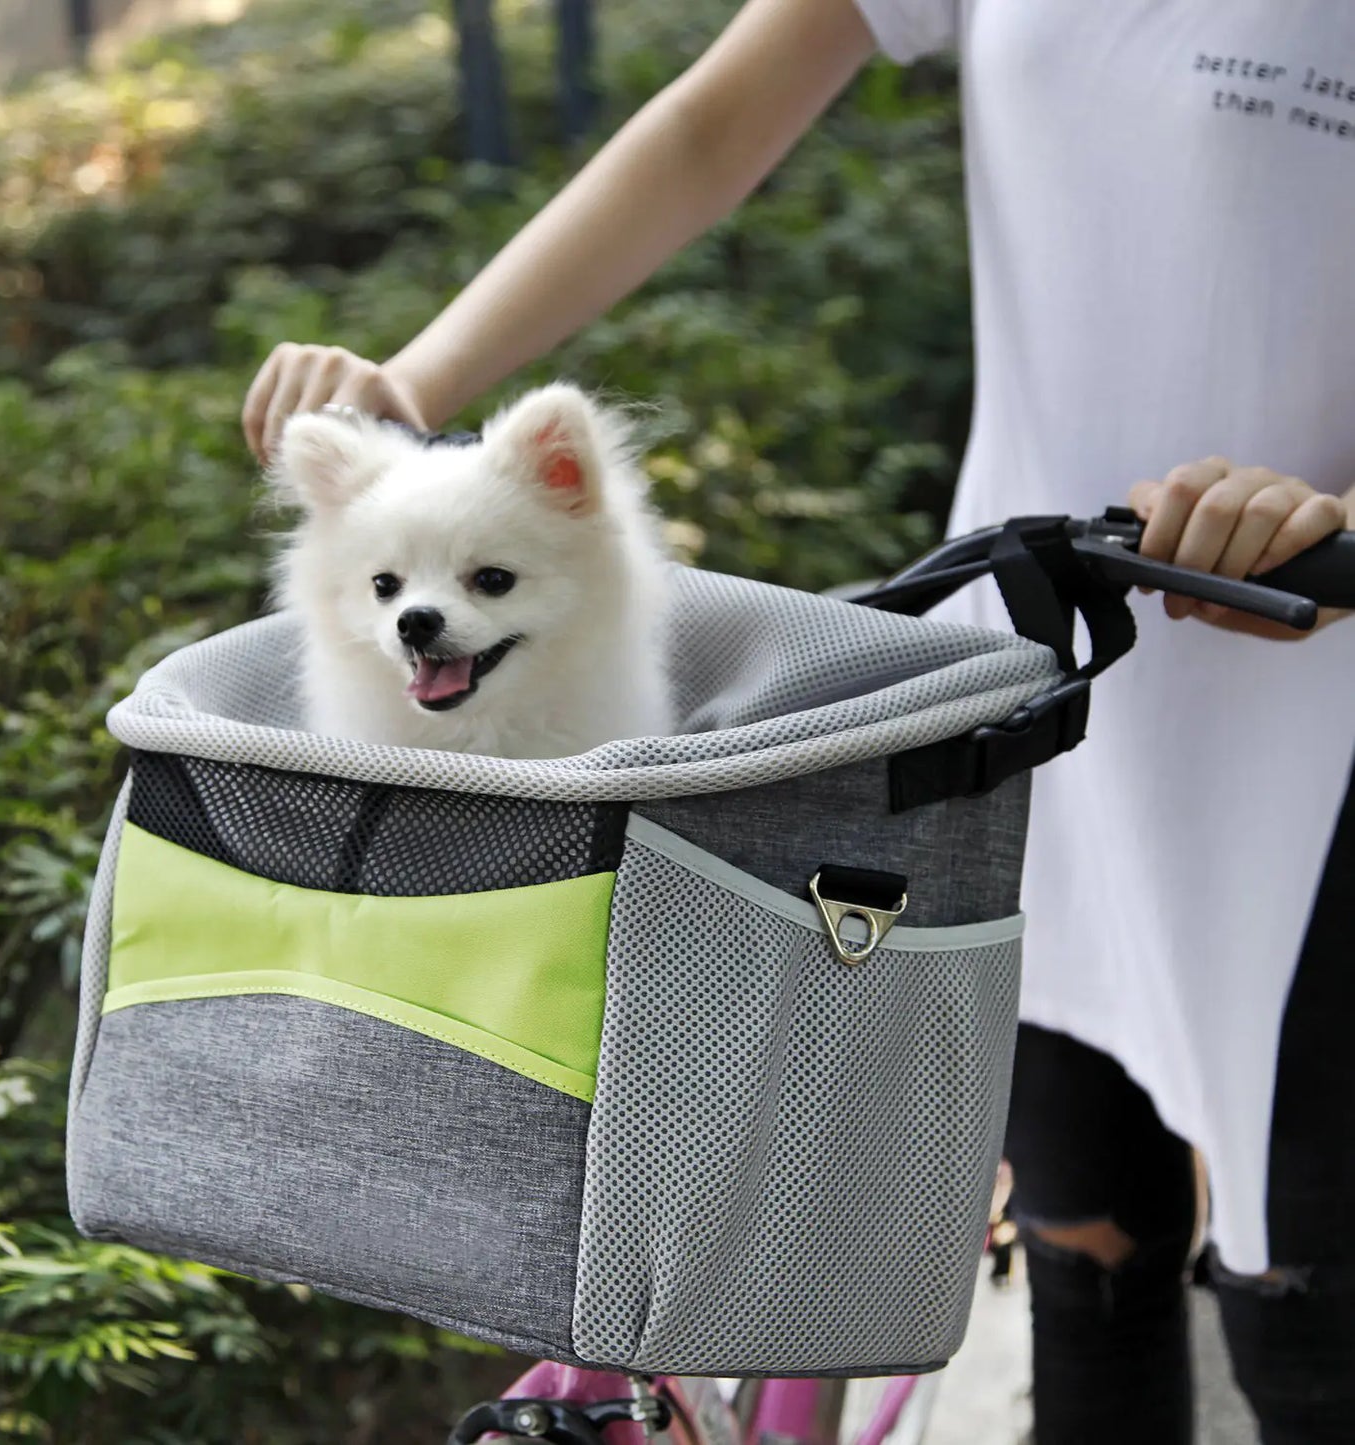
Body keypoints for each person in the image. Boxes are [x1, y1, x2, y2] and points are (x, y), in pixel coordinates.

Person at [241, 3, 1355, 1439]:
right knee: (1086, 1258)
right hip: (1027, 677)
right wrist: (414, 385)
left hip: (1315, 699)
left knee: (1309, 1319)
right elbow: (709, 130)